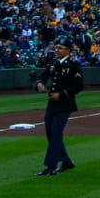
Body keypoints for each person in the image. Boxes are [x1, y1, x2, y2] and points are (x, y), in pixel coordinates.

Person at [34, 37, 83, 176]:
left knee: (55, 134)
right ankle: (66, 162)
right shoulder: (53, 63)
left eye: (60, 48)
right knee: (50, 134)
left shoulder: (73, 65)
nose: (57, 50)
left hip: (65, 104)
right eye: (56, 48)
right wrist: (39, 84)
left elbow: (78, 86)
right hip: (52, 104)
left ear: (68, 50)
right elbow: (43, 76)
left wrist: (61, 95)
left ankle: (51, 166)